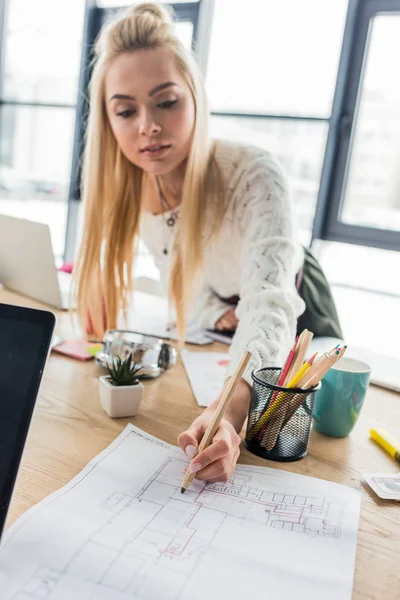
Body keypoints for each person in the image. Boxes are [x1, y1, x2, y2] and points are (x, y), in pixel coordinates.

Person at [74, 2, 342, 483]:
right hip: (225, 312)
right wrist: (213, 312)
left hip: (296, 309)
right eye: (125, 110)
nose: (147, 127)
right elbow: (184, 289)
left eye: (166, 101)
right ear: (108, 120)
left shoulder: (254, 173)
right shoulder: (136, 184)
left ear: (195, 98)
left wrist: (229, 410)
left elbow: (270, 309)